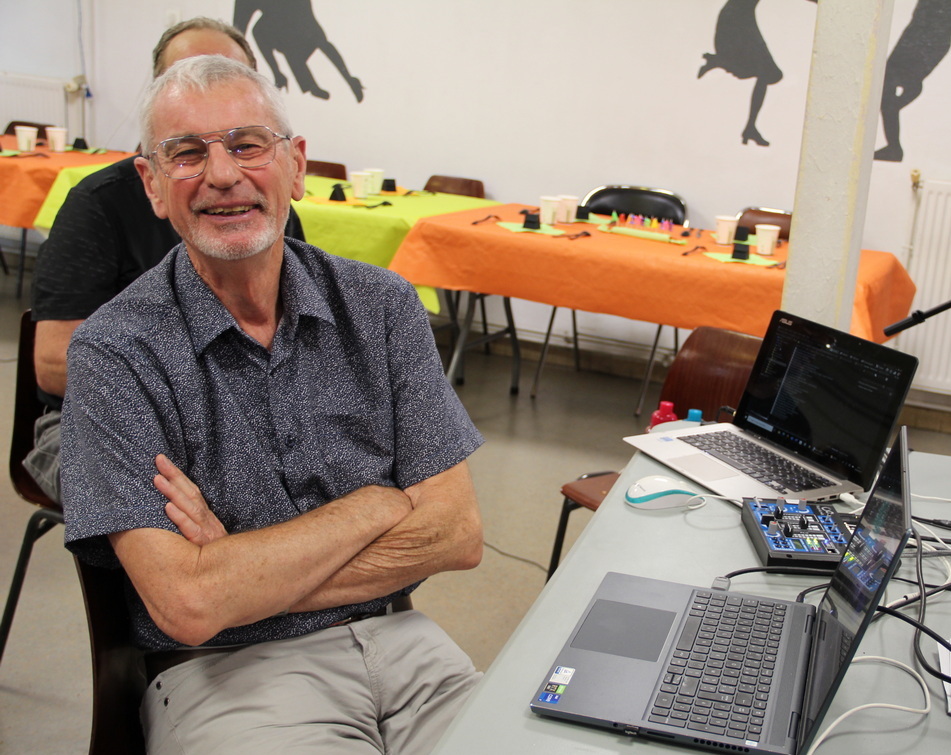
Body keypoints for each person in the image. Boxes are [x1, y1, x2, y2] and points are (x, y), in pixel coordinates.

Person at [60, 54, 484, 754]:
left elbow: (456, 534)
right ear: (153, 184)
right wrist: (374, 505)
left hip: (407, 650)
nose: (222, 174)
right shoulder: (115, 353)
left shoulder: (381, 306)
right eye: (186, 153)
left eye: (248, 144)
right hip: (227, 672)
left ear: (296, 165)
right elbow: (189, 606)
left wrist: (235, 573)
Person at [26, 17, 305, 503]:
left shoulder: (271, 212)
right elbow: (53, 365)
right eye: (186, 79)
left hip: (249, 417)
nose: (222, 174)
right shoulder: (100, 204)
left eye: (226, 77)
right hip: (95, 416)